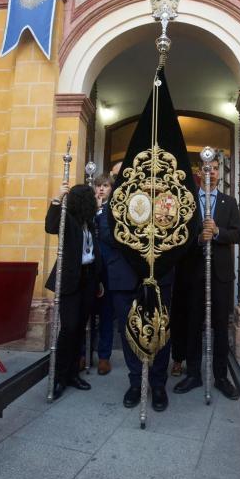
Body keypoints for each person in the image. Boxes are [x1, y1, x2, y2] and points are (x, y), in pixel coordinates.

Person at [98, 191, 174, 411]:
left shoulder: (165, 195)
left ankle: (158, 384)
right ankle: (135, 382)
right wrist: (137, 237)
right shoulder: (116, 197)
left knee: (161, 330)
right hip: (124, 274)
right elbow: (105, 231)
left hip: (158, 274)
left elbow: (176, 229)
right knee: (128, 331)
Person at [173, 158, 240, 400]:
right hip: (193, 273)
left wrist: (218, 232)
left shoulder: (229, 202)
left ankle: (221, 377)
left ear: (219, 173)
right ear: (199, 173)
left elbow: (238, 233)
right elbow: (179, 235)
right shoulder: (188, 202)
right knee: (193, 325)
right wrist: (200, 239)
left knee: (220, 327)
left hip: (221, 276)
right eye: (206, 169)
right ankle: (193, 374)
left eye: (214, 168)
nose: (210, 173)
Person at [44, 182, 101, 400]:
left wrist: (98, 280)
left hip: (88, 279)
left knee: (80, 329)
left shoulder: (90, 222)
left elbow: (94, 253)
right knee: (68, 328)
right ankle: (58, 376)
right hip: (70, 279)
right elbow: (50, 226)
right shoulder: (68, 220)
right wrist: (57, 199)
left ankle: (73, 374)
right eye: (93, 197)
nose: (97, 200)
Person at [92, 173, 116, 375]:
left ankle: (104, 356)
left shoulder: (113, 210)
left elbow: (110, 237)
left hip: (107, 268)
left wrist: (100, 213)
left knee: (106, 313)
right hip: (89, 268)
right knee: (87, 312)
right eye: (98, 185)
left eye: (105, 186)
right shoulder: (88, 209)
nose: (101, 189)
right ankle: (83, 352)